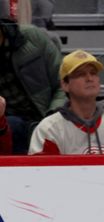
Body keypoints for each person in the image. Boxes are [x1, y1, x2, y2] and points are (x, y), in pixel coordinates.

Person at [28, 50, 104, 155]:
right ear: (65, 85)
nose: (89, 78)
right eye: (81, 74)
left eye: (93, 73)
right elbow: (40, 176)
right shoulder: (49, 130)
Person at [0, 17, 65, 154]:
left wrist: (53, 114)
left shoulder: (33, 37)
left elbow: (63, 83)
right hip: (9, 123)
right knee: (12, 125)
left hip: (50, 112)